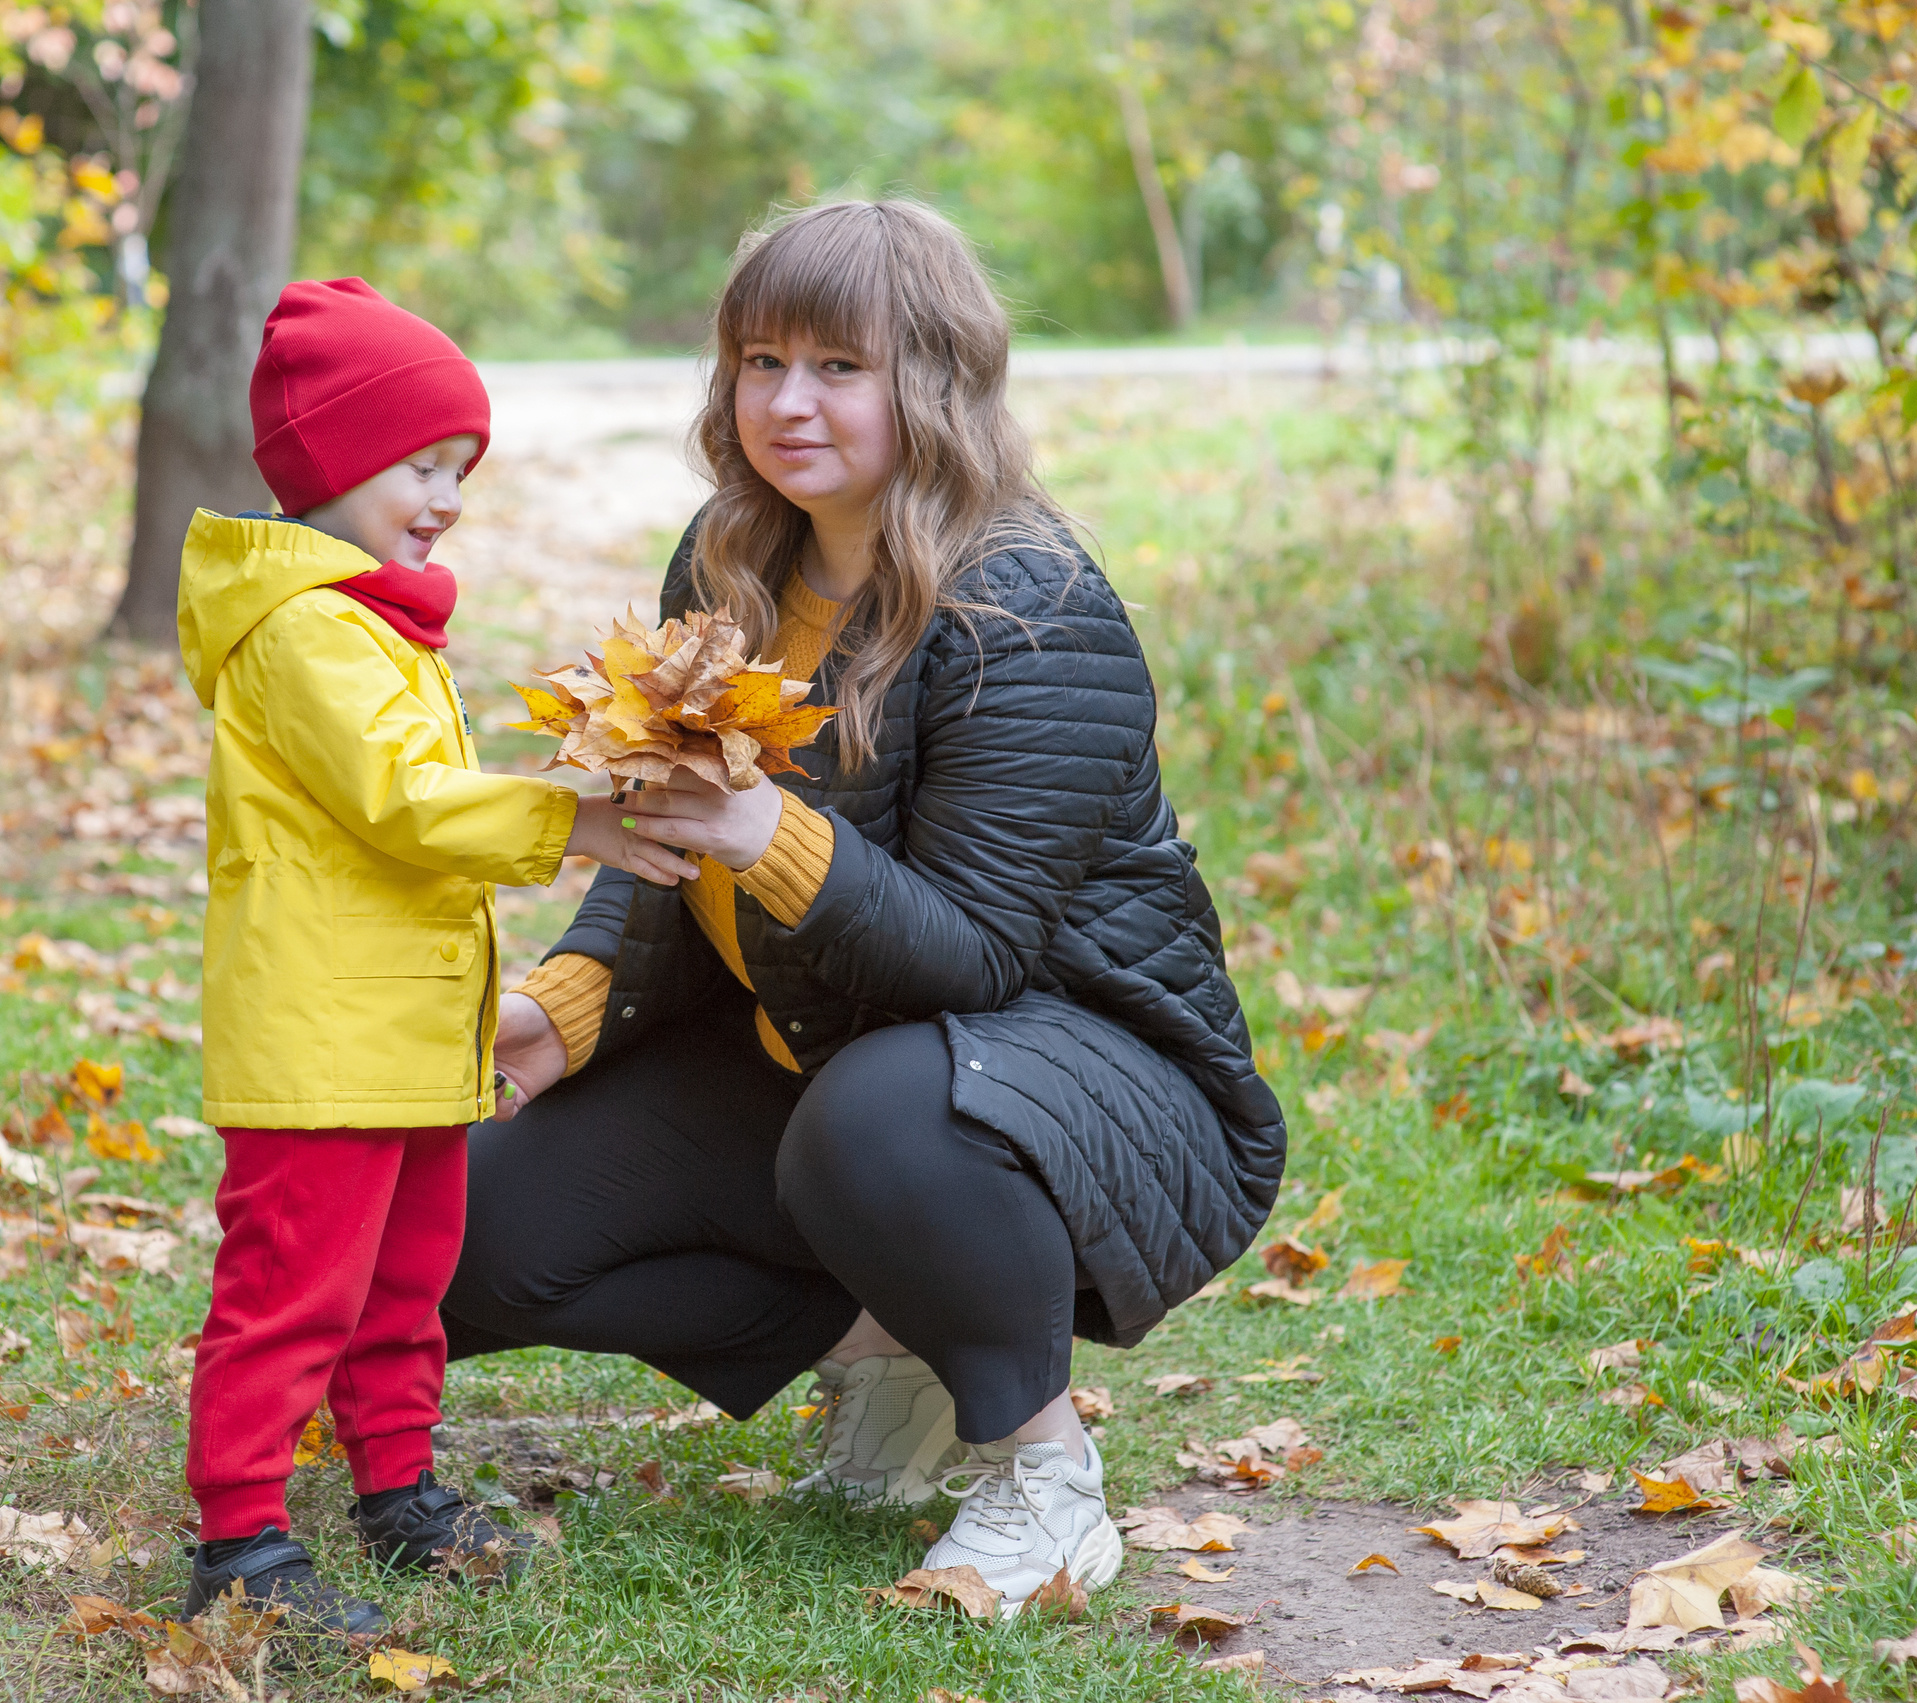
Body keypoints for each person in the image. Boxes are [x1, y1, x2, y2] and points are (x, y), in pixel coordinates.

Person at [442, 202, 1287, 1615]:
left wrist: (773, 831)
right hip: (829, 1045)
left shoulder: (1034, 607)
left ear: (936, 378)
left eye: (840, 366)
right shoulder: (729, 561)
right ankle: (898, 1359)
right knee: (465, 1245)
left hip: (1079, 1069)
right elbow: (671, 837)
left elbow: (975, 951)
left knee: (882, 1114)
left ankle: (1041, 1474)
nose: (785, 401)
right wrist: (565, 1008)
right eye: (759, 359)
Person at [173, 277, 695, 1633]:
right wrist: (571, 820)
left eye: (459, 469)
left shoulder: (373, 618)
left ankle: (396, 1490)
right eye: (421, 464)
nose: (448, 494)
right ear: (333, 460)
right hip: (321, 1044)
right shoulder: (304, 630)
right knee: (292, 1293)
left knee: (405, 1288)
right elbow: (403, 802)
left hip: (403, 1034)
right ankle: (239, 1543)